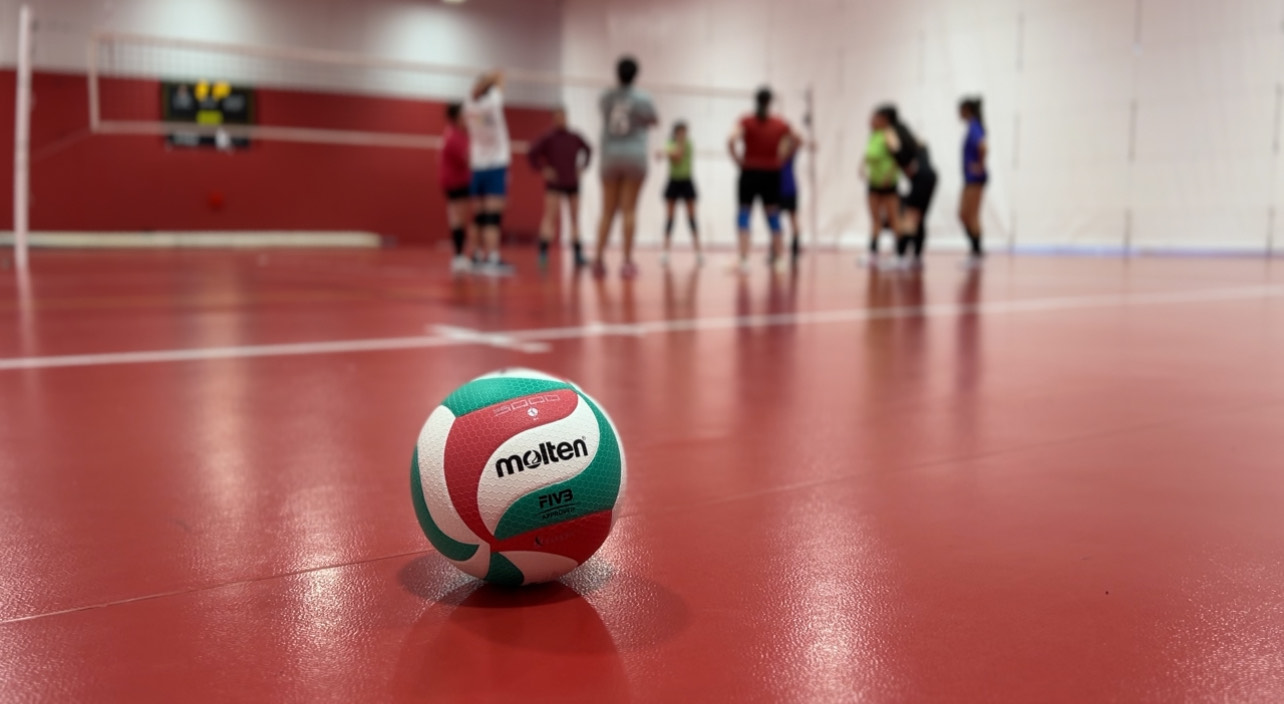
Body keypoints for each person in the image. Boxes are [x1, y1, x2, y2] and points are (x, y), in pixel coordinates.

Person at [594, 56, 658, 278]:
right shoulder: (643, 98)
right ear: (635, 75)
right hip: (634, 156)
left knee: (607, 210)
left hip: (609, 155)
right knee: (629, 209)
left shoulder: (606, 96)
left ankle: (598, 260)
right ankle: (627, 262)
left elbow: (604, 111)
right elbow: (654, 120)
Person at [728, 87, 798, 273]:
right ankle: (780, 259)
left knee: (744, 213)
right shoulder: (780, 123)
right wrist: (783, 157)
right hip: (771, 173)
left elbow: (731, 139)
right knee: (773, 214)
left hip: (749, 172)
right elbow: (797, 139)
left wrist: (737, 159)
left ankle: (744, 259)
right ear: (770, 102)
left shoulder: (746, 121)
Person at [528, 107, 593, 269]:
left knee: (575, 219)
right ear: (553, 119)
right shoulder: (548, 138)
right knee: (549, 217)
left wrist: (583, 166)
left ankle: (577, 254)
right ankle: (543, 252)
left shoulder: (574, 136)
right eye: (557, 117)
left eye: (563, 116)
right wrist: (543, 169)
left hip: (572, 183)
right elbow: (531, 154)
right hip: (555, 185)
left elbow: (589, 149)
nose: (561, 119)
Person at [463, 71, 513, 276]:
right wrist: (495, 77)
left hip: (477, 165)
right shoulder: (493, 102)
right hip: (495, 164)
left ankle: (474, 256)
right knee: (493, 217)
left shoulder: (469, 107)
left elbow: (475, 91)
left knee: (479, 217)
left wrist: (484, 81)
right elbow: (500, 79)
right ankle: (492, 258)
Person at [884, 106, 937, 270]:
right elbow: (922, 146)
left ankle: (900, 256)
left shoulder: (890, 133)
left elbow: (896, 154)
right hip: (929, 176)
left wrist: (913, 167)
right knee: (917, 217)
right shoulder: (906, 131)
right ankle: (916, 257)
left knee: (909, 215)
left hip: (922, 177)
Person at [860, 105, 900, 267]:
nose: (871, 121)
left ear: (883, 120)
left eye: (875, 118)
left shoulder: (888, 135)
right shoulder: (873, 135)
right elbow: (868, 154)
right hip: (873, 182)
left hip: (888, 182)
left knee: (892, 218)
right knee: (875, 218)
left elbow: (898, 156)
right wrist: (861, 166)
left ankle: (899, 252)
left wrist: (890, 175)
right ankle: (873, 251)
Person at [658, 121, 702, 266]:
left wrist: (664, 152)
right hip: (673, 182)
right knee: (670, 218)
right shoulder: (670, 143)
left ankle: (698, 252)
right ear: (675, 132)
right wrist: (666, 151)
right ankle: (665, 252)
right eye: (680, 132)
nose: (683, 134)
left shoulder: (688, 144)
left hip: (687, 181)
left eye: (685, 132)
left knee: (692, 218)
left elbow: (677, 155)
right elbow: (671, 153)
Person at [439, 103, 473, 274]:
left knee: (457, 217)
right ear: (457, 117)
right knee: (458, 218)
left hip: (452, 181)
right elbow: (468, 159)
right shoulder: (455, 136)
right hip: (457, 182)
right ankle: (459, 256)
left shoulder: (454, 133)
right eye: (464, 115)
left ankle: (459, 256)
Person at [959, 96, 988, 266]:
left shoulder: (974, 126)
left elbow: (983, 146)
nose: (958, 114)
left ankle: (977, 254)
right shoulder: (971, 126)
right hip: (969, 178)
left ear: (967, 109)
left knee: (972, 215)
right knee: (963, 214)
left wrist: (980, 165)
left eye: (960, 110)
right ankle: (974, 249)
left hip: (975, 178)